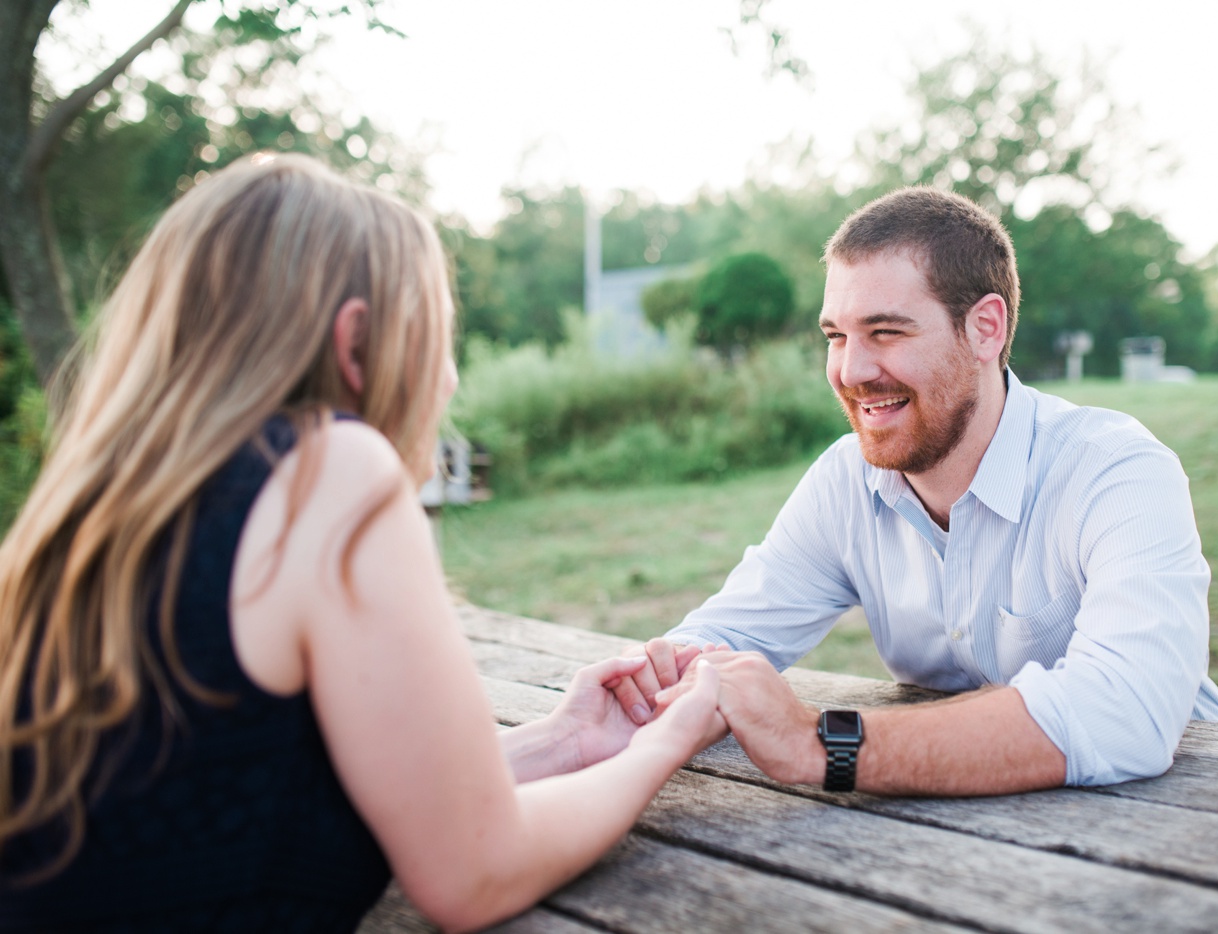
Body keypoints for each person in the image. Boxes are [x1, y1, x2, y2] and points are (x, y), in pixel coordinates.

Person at [0, 154, 723, 933]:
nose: (446, 381)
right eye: (442, 342)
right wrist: (671, 743)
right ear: (356, 343)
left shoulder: (103, 507)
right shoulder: (330, 468)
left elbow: (274, 797)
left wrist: (565, 742)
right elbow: (475, 871)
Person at [614, 186, 1218, 797]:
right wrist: (643, 682)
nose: (850, 372)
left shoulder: (1116, 471)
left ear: (985, 329)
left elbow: (1125, 710)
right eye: (836, 336)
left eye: (885, 332)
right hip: (960, 844)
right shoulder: (845, 482)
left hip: (1199, 821)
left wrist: (822, 745)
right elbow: (729, 639)